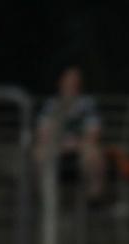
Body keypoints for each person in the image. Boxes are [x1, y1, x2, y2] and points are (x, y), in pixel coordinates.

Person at [34, 66, 105, 201]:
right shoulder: (50, 105)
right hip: (55, 146)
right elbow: (42, 133)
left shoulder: (88, 104)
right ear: (60, 83)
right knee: (39, 153)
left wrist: (76, 144)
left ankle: (94, 197)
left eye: (74, 82)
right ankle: (44, 197)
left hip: (81, 146)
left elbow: (94, 133)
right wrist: (59, 144)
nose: (71, 86)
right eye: (68, 82)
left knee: (93, 153)